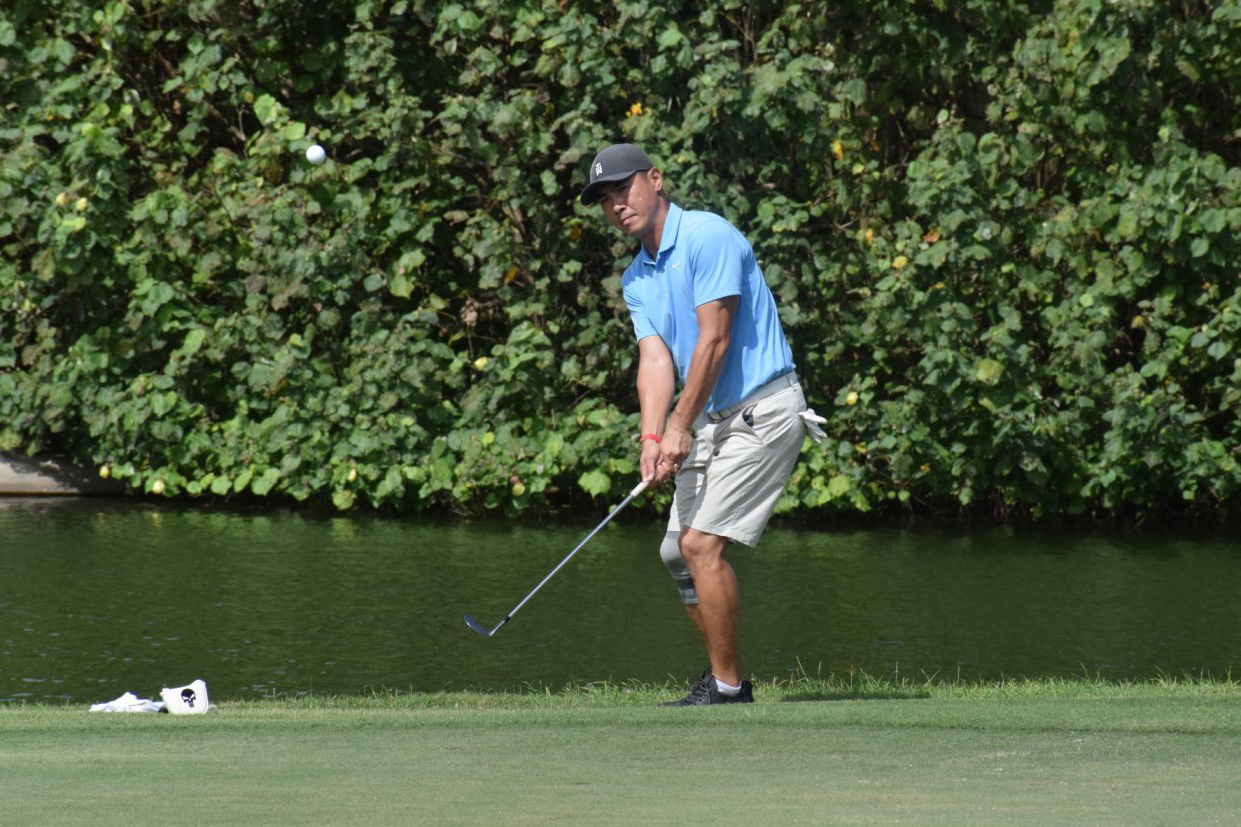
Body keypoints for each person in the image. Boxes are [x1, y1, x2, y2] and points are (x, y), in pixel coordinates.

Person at [579, 143, 826, 705]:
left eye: (625, 189)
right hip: (709, 418)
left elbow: (714, 341)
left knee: (699, 544)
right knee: (676, 553)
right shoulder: (636, 277)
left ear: (656, 179)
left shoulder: (707, 236)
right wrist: (651, 434)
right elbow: (656, 360)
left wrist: (679, 427)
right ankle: (724, 679)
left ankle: (729, 687)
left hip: (762, 410)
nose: (617, 205)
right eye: (605, 200)